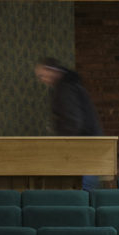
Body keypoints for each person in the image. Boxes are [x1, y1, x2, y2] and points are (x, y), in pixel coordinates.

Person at [35, 57, 103, 191]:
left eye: (42, 75)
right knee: (87, 187)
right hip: (89, 144)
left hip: (83, 146)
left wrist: (62, 143)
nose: (42, 79)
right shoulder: (70, 85)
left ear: (51, 71)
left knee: (85, 189)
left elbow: (73, 122)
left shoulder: (65, 89)